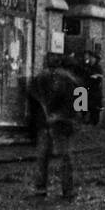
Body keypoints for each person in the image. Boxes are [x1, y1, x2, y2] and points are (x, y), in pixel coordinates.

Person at [27, 53, 80, 200]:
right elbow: (81, 105)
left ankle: (40, 189)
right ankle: (67, 191)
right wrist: (70, 118)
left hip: (47, 124)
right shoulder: (72, 81)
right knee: (65, 158)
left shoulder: (38, 79)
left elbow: (32, 103)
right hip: (62, 124)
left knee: (43, 157)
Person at [85, 50, 104, 125]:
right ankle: (91, 120)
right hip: (90, 89)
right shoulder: (89, 67)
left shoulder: (98, 67)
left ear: (96, 59)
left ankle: (95, 121)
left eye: (93, 58)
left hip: (95, 90)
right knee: (90, 105)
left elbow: (98, 78)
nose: (91, 59)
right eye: (91, 58)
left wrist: (92, 77)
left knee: (95, 107)